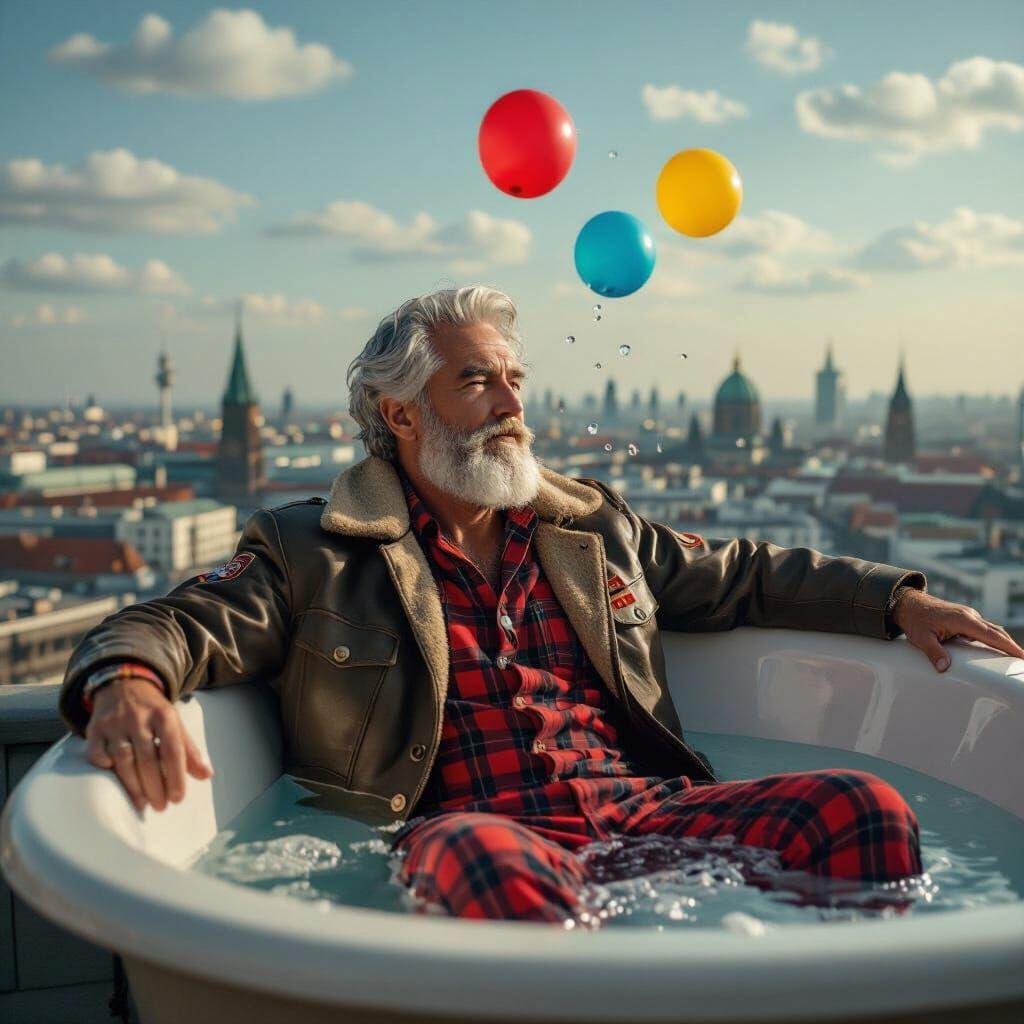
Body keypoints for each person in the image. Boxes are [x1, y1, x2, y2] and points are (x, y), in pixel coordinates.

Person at [59, 286, 1024, 923]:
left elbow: (741, 573)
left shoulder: (588, 527)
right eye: (476, 379)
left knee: (862, 811)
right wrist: (129, 679)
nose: (511, 401)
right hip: (479, 828)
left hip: (648, 812)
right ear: (402, 414)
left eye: (514, 378)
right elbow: (186, 620)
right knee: (486, 871)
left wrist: (898, 600)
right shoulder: (314, 546)